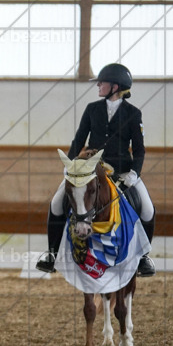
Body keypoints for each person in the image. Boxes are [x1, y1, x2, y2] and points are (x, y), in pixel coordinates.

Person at [36, 63, 155, 277]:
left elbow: (139, 149)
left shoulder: (133, 113)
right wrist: (70, 165)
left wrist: (134, 173)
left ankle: (144, 258)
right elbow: (79, 139)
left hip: (122, 172)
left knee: (147, 208)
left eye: (102, 83)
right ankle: (51, 254)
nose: (98, 85)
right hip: (89, 170)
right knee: (56, 203)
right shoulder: (92, 109)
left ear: (115, 87)